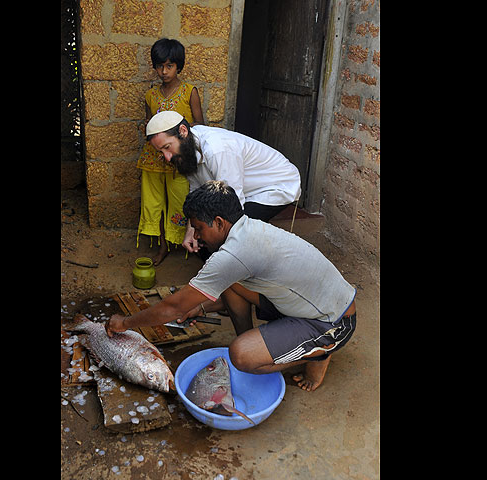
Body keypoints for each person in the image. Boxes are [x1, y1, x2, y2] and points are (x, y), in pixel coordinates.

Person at [107, 181, 357, 392]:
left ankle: (321, 350)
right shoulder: (246, 229)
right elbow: (203, 298)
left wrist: (125, 323)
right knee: (231, 285)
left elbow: (172, 307)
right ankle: (261, 345)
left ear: (218, 222)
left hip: (332, 321)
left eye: (198, 227)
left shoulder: (233, 255)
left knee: (240, 356)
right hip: (306, 303)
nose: (195, 235)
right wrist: (200, 309)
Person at [144, 110, 301, 256]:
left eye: (167, 147)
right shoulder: (186, 150)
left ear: (183, 132)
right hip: (243, 189)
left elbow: (232, 202)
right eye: (161, 152)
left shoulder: (217, 148)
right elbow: (196, 192)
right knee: (204, 245)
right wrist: (191, 230)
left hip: (276, 185)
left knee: (230, 237)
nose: (167, 157)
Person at [136, 38, 204, 266]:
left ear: (178, 66)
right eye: (159, 66)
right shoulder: (150, 96)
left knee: (180, 201)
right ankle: (163, 246)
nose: (163, 72)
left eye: (169, 66)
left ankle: (185, 240)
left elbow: (200, 127)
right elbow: (148, 125)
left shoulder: (189, 92)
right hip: (153, 160)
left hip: (178, 161)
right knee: (154, 203)